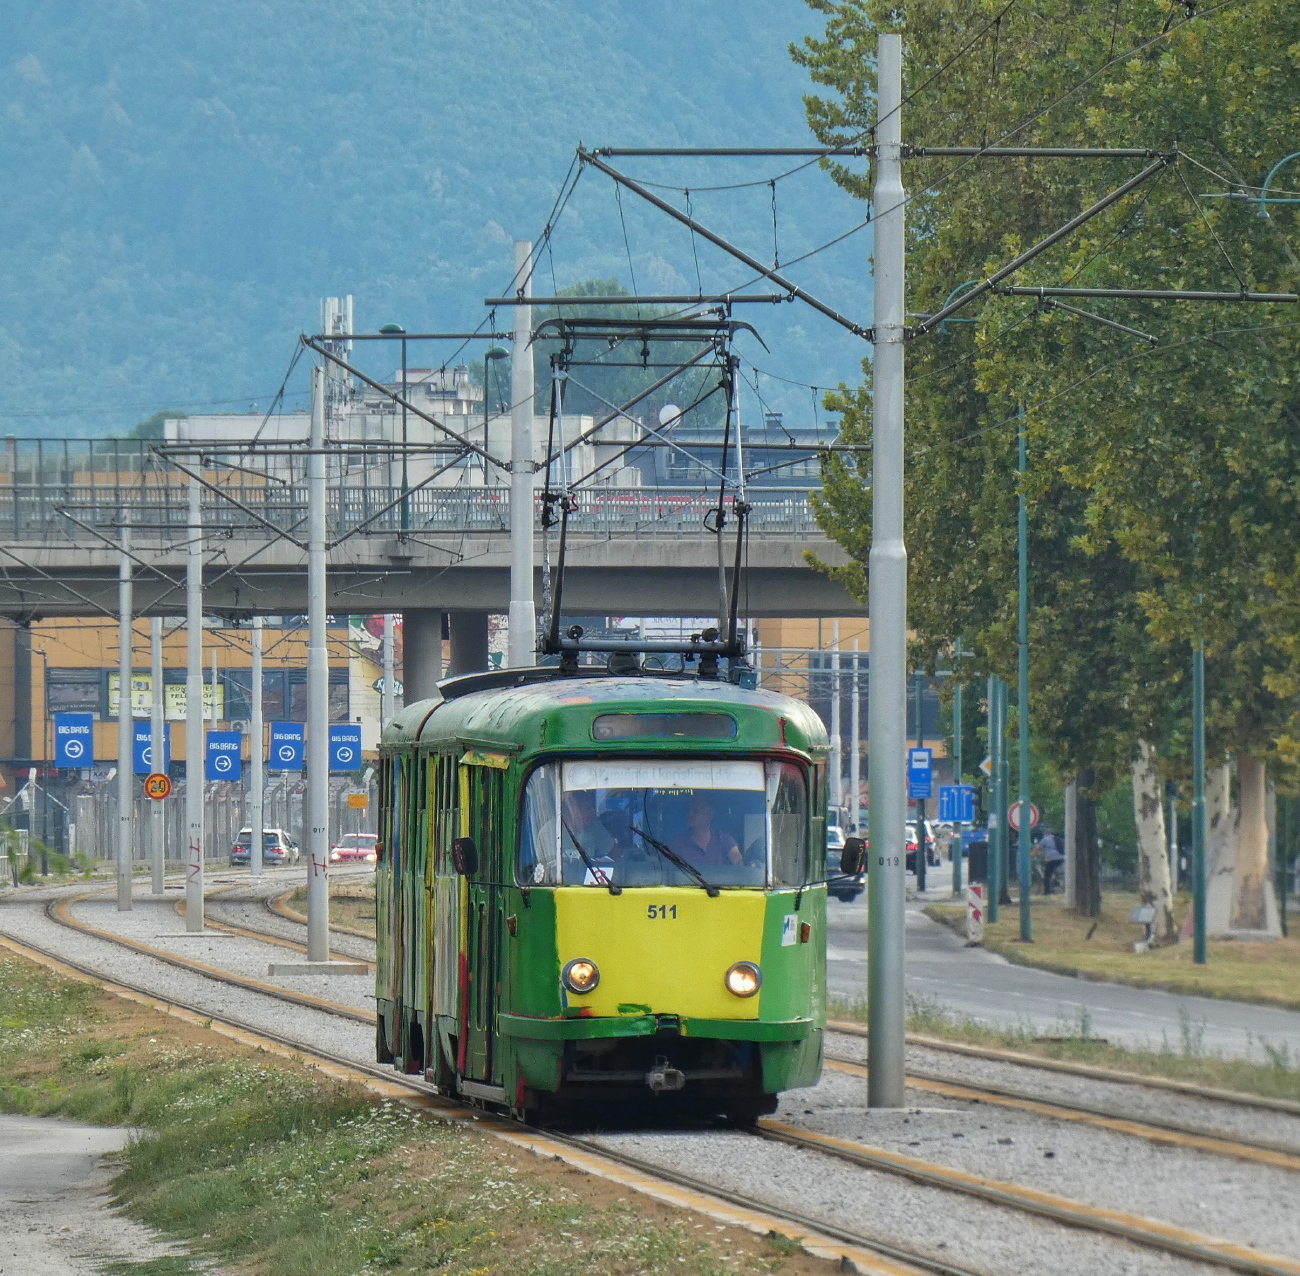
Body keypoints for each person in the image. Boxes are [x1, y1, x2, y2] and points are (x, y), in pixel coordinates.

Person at [670, 794, 742, 867]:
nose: (689, 814)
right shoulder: (677, 845)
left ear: (709, 815)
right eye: (689, 810)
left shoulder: (725, 841)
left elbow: (740, 865)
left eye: (695, 811)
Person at [1039, 826, 1064, 894]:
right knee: (1054, 871)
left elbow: (1038, 848)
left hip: (1053, 859)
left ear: (1045, 834)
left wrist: (1030, 855)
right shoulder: (1055, 838)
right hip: (1061, 858)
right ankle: (1056, 881)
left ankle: (1047, 891)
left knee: (1047, 875)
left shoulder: (1045, 839)